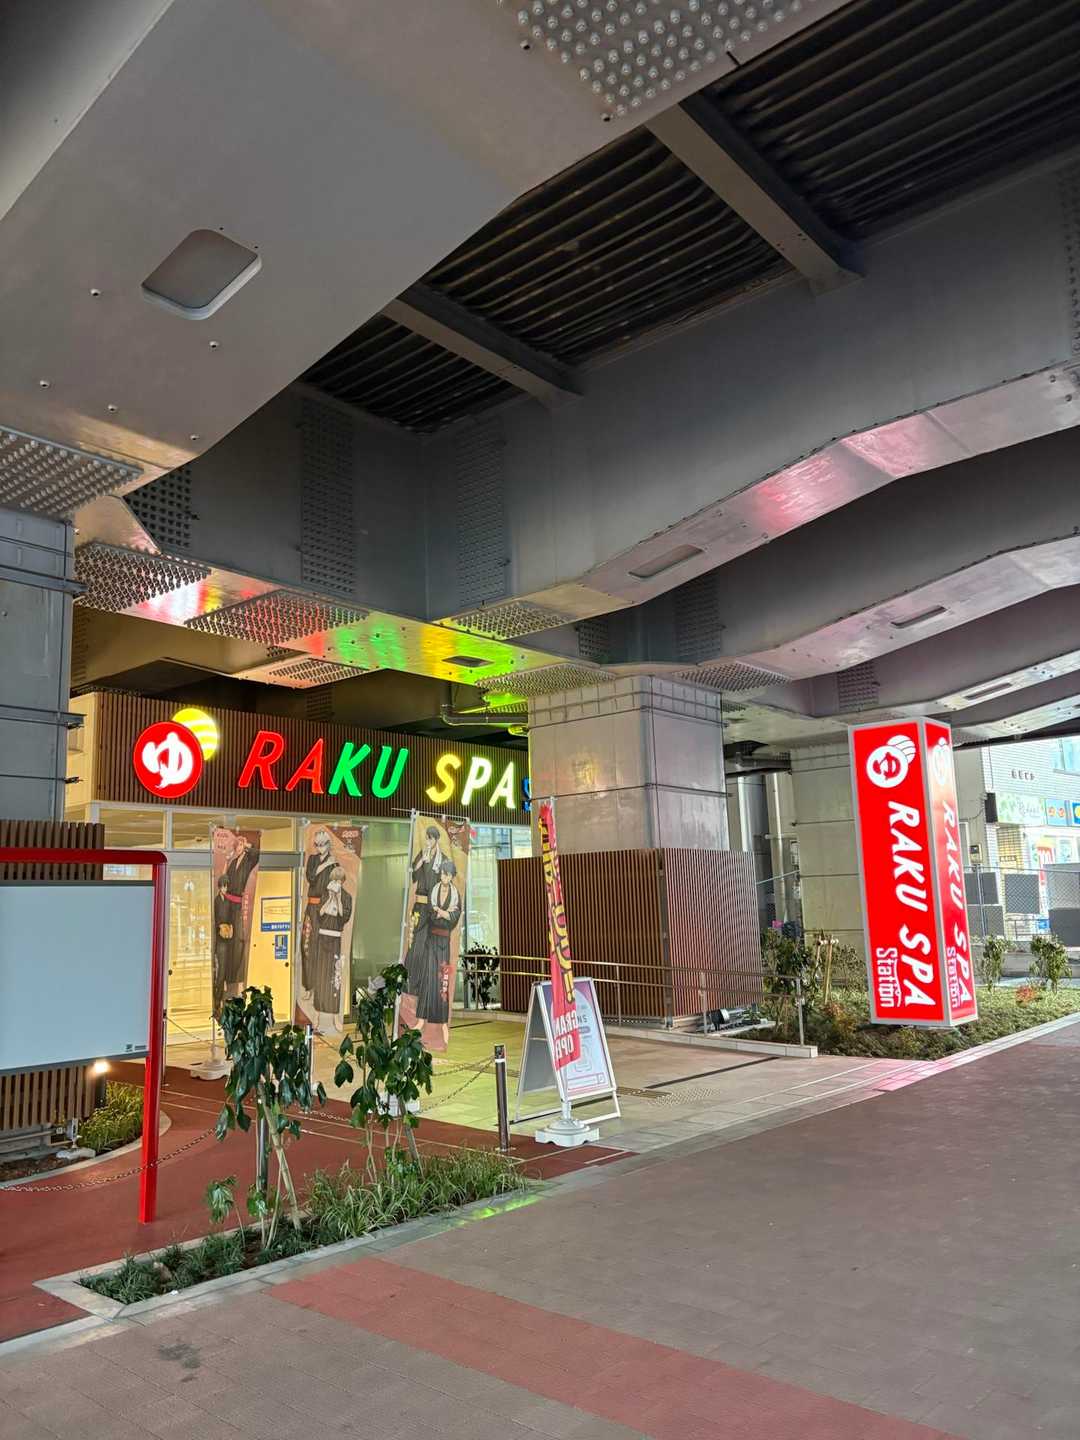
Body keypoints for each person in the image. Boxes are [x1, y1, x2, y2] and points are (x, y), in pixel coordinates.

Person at [215, 832, 261, 1012]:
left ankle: (237, 981)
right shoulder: (233, 862)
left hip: (238, 905)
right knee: (228, 942)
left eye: (241, 845)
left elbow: (256, 854)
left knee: (239, 943)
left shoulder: (248, 860)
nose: (238, 848)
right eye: (237, 846)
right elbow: (225, 880)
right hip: (228, 904)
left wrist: (248, 846)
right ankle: (228, 982)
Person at [415, 856, 460, 1026]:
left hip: (444, 941)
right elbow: (430, 912)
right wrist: (442, 913)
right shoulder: (434, 890)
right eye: (442, 874)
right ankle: (421, 1018)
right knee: (427, 976)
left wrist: (442, 913)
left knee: (442, 978)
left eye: (447, 874)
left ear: (452, 876)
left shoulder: (455, 894)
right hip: (431, 939)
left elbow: (454, 916)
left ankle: (441, 1020)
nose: (444, 877)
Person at [404, 825, 444, 996]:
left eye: (430, 838)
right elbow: (413, 874)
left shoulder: (443, 859)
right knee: (416, 945)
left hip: (433, 909)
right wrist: (422, 860)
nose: (428, 841)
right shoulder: (422, 854)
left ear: (436, 840)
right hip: (420, 906)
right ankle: (410, 984)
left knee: (431, 948)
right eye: (427, 838)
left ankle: (426, 987)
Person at [311, 864, 352, 1031]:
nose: (336, 883)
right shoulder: (324, 893)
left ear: (342, 882)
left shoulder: (347, 897)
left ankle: (336, 1017)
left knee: (335, 978)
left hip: (335, 939)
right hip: (322, 938)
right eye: (334, 880)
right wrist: (329, 898)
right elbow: (318, 915)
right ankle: (316, 1015)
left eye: (339, 881)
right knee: (320, 977)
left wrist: (338, 899)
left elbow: (344, 918)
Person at [300, 829, 336, 998]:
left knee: (323, 948)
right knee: (307, 946)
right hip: (311, 908)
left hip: (326, 909)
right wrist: (325, 865)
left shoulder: (334, 863)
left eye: (322, 844)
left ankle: (320, 989)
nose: (319, 847)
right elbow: (311, 878)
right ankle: (309, 987)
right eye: (317, 844)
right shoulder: (313, 859)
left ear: (328, 844)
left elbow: (335, 886)